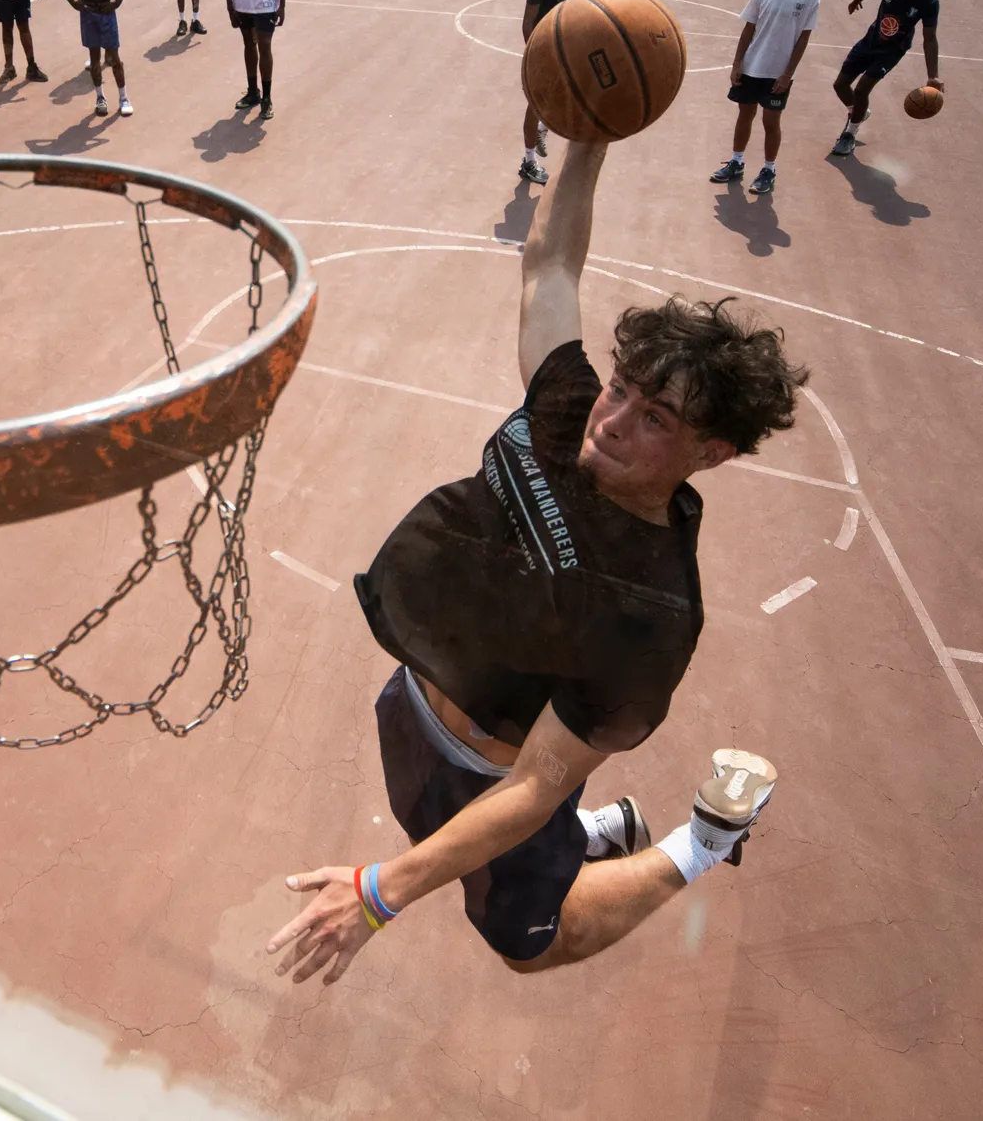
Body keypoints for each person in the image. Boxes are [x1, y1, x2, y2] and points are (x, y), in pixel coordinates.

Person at [266, 137, 806, 987]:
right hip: (411, 700)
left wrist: (378, 894)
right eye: (622, 385)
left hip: (492, 772)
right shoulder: (567, 411)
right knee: (453, 835)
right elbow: (549, 264)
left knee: (530, 942)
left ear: (713, 452)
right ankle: (594, 835)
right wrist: (588, 136)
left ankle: (702, 843)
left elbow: (536, 784)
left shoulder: (650, 611)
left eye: (656, 417)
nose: (615, 417)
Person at [710, 0, 819, 195]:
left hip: (777, 73)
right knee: (744, 115)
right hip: (751, 67)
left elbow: (803, 38)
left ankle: (769, 169)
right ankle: (736, 162)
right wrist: (737, 63)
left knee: (771, 122)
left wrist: (787, 74)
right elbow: (748, 28)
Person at [830, 0, 943, 158]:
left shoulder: (929, 2)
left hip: (892, 51)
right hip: (869, 42)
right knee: (840, 85)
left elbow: (930, 38)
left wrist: (933, 75)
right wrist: (856, 0)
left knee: (862, 89)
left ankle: (849, 134)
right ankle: (859, 113)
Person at [519, 0, 591, 185]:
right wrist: (534, 54)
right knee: (536, 104)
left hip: (570, 46)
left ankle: (542, 129)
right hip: (545, 48)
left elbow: (585, 9)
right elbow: (528, 22)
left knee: (566, 96)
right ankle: (528, 162)